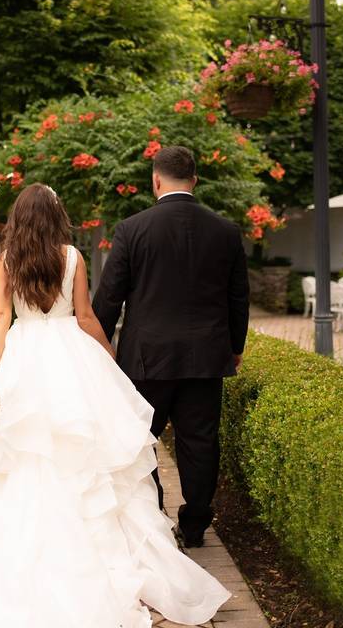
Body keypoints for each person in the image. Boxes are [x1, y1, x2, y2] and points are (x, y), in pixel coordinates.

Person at [0, 183, 229, 627]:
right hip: (70, 356)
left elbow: (2, 318)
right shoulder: (72, 257)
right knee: (84, 451)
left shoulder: (7, 259)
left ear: (20, 217)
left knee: (16, 452)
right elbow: (84, 316)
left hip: (23, 354)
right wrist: (109, 358)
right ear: (55, 215)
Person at [92, 146, 250, 549]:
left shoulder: (132, 229)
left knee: (140, 440)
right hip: (206, 357)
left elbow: (109, 297)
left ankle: (155, 518)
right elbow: (238, 298)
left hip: (146, 359)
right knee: (200, 442)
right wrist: (234, 347)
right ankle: (195, 526)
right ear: (194, 180)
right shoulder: (226, 231)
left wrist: (97, 347)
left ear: (155, 180)